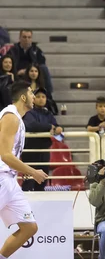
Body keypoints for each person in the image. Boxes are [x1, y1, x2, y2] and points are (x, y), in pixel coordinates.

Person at [0, 81, 48, 258]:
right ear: (22, 97)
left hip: (9, 179)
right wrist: (33, 171)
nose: (34, 97)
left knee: (29, 227)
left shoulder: (18, 118)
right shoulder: (10, 116)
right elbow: (5, 155)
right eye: (31, 93)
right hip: (1, 176)